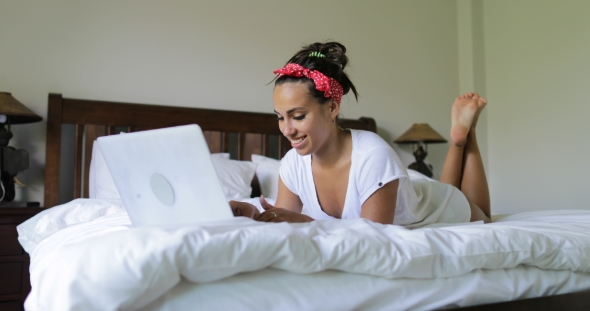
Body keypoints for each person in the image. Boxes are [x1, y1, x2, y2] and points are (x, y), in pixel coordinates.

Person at [230, 42, 491, 226]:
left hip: (441, 207)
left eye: (298, 116)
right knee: (438, 187)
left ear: (332, 107)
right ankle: (459, 140)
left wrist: (306, 221)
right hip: (417, 197)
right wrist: (253, 213)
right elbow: (285, 220)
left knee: (485, 217)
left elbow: (373, 238)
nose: (287, 129)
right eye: (280, 117)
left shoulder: (372, 154)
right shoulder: (292, 164)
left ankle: (466, 137)